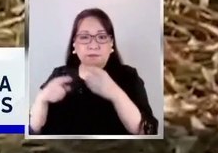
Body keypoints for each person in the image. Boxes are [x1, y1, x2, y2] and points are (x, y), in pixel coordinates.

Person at [28, 8, 160, 136]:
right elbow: (32, 132)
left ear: (111, 44)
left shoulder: (128, 76)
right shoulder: (59, 75)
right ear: (74, 44)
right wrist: (42, 100)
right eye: (84, 37)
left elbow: (149, 132)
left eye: (101, 37)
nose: (93, 45)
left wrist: (115, 93)